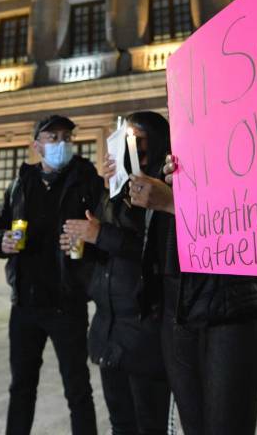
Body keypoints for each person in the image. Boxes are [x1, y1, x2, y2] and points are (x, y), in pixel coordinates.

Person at [123, 152, 257, 435]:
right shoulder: (174, 156)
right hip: (179, 305)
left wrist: (173, 202)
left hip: (232, 303)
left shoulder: (253, 144)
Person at [0, 114, 104, 435]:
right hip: (25, 302)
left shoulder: (88, 182)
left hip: (68, 301)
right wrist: (3, 242)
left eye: (67, 137)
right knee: (21, 387)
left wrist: (89, 240)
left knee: (77, 388)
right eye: (52, 138)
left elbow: (104, 233)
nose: (61, 143)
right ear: (36, 145)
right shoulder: (20, 184)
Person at [61, 112, 171, 435]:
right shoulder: (112, 188)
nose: (127, 150)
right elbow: (105, 248)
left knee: (149, 423)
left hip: (144, 333)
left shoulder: (165, 191)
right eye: (122, 142)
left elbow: (154, 250)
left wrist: (100, 234)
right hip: (109, 330)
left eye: (136, 142)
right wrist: (84, 238)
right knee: (121, 423)